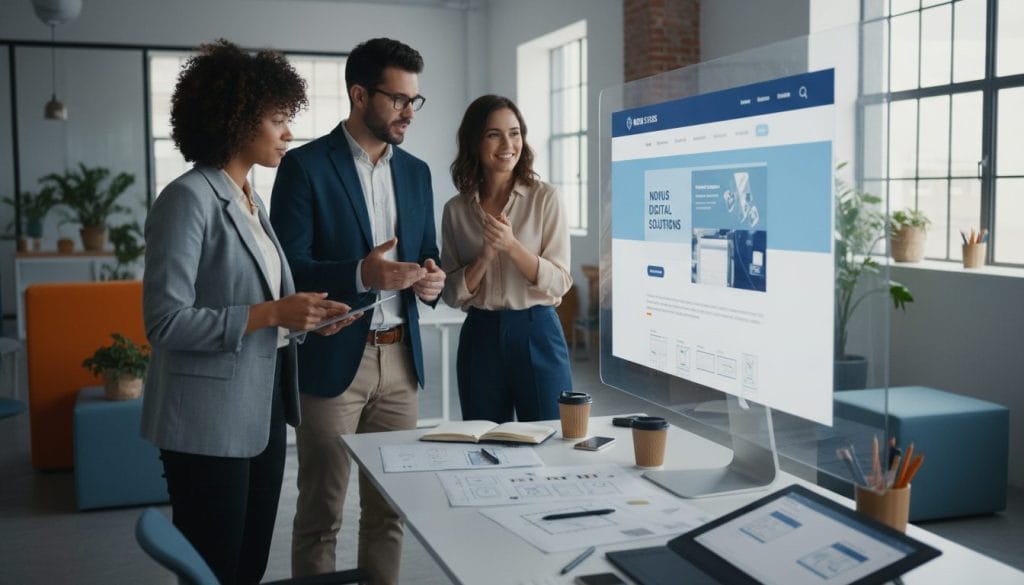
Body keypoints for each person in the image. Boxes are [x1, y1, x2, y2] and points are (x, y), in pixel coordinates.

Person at [140, 40, 356, 585]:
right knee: (215, 567)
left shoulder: (250, 201)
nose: (289, 134)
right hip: (205, 422)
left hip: (261, 412)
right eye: (279, 120)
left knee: (249, 565)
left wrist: (309, 319)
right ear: (236, 121)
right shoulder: (187, 199)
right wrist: (269, 313)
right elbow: (165, 322)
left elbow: (267, 308)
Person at [270, 38, 445, 584]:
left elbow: (427, 257)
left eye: (416, 101)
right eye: (398, 100)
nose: (408, 113)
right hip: (332, 363)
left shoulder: (416, 173)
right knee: (322, 513)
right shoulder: (303, 167)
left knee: (390, 510)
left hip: (401, 366)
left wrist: (433, 282)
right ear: (359, 94)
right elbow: (289, 268)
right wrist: (360, 274)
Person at [441, 95, 573, 424]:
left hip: (537, 330)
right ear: (475, 140)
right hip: (480, 336)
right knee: (484, 444)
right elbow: (451, 294)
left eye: (514, 133)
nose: (507, 144)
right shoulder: (455, 211)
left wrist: (512, 246)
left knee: (551, 436)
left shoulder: (546, 199)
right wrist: (485, 256)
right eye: (494, 134)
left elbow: (560, 282)